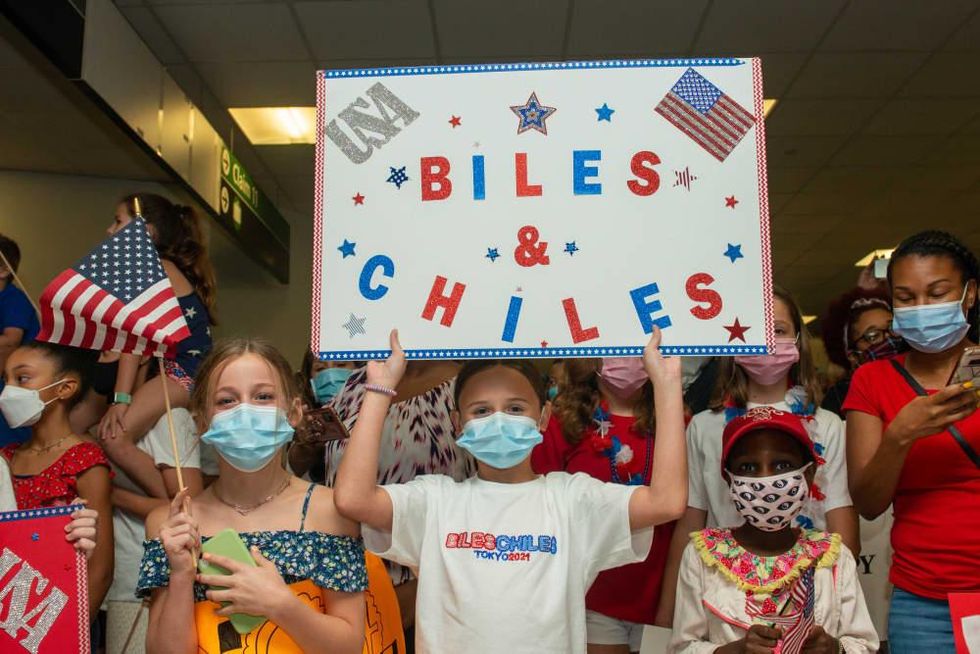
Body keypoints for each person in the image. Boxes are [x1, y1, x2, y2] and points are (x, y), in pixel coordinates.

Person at [333, 328, 687, 653]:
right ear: (458, 424)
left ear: (544, 417)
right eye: (482, 410)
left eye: (515, 408)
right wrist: (379, 389)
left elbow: (666, 502)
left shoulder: (572, 500)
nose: (499, 420)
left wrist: (668, 384)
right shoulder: (436, 501)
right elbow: (353, 498)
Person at [137, 338, 366, 654]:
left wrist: (279, 604)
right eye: (227, 401)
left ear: (294, 412)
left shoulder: (330, 511)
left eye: (263, 397)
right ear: (201, 420)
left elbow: (350, 647)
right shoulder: (172, 524)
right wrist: (180, 575)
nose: (245, 411)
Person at [659, 287, 858, 627]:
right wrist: (666, 616)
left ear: (797, 340)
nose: (766, 341)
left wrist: (844, 606)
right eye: (753, 331)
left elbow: (839, 520)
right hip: (724, 593)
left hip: (808, 592)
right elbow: (690, 523)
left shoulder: (828, 426)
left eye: (778, 330)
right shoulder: (704, 428)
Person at [844, 230, 980, 653]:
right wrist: (900, 435)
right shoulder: (872, 380)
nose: (922, 308)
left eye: (937, 293)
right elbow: (868, 503)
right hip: (923, 603)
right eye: (906, 297)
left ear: (969, 294)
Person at [669, 407, 879, 653]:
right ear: (729, 480)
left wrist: (835, 648)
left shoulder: (831, 557)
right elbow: (681, 647)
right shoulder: (703, 556)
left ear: (809, 474)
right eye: (748, 467)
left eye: (782, 465)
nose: (766, 479)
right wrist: (732, 651)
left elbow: (864, 644)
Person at [531, 355, 676, 654]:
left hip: (659, 593)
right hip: (590, 596)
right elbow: (539, 509)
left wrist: (670, 603)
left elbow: (681, 518)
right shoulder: (562, 422)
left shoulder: (674, 419)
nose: (627, 357)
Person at [74, 194, 216, 456]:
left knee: (113, 437)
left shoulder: (152, 268)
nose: (109, 229)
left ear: (145, 232)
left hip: (185, 371)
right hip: (156, 366)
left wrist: (121, 400)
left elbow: (134, 341)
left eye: (118, 222)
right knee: (71, 431)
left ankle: (165, 498)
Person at [0, 340, 114, 619]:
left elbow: (100, 569)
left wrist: (67, 632)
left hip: (62, 617)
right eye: (6, 380)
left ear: (65, 388)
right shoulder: (5, 459)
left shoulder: (84, 461)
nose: (9, 391)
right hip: (8, 613)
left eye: (22, 378)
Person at [106, 408, 203, 654]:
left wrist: (111, 494)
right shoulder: (99, 429)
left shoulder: (175, 419)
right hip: (128, 576)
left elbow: (187, 506)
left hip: (155, 573)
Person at [820, 288, 901, 419]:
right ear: (853, 355)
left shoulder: (923, 374)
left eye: (893, 328)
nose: (888, 337)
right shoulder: (840, 397)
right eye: (873, 335)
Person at [0, 234, 40, 446]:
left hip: (20, 381)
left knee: (10, 436)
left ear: (4, 271)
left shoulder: (14, 299)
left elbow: (10, 340)